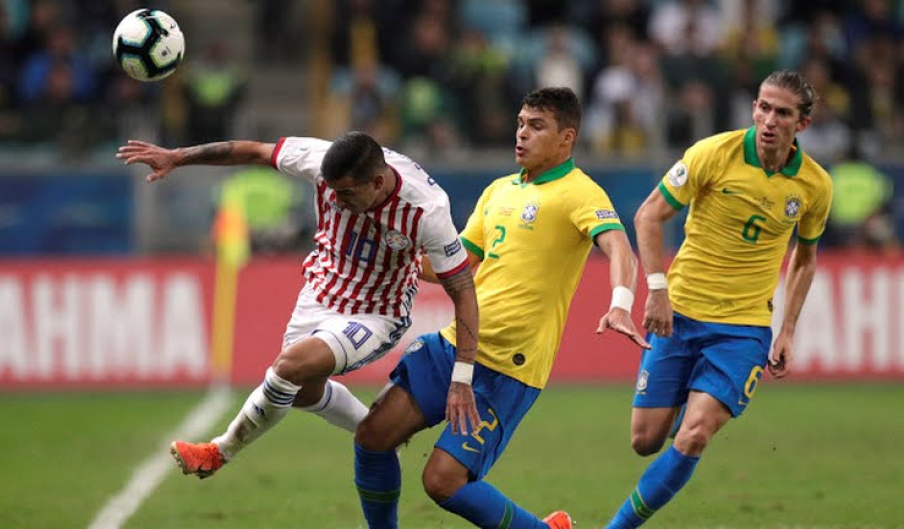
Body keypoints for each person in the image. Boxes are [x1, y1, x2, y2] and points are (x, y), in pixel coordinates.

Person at [352, 87, 650, 529]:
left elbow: (620, 246)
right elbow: (460, 262)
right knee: (373, 436)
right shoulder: (497, 191)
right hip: (456, 345)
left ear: (567, 138)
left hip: (507, 368)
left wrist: (621, 303)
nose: (522, 134)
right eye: (520, 123)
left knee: (443, 481)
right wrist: (401, 260)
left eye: (536, 126)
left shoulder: (580, 193)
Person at [116, 131, 480, 479]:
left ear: (377, 184)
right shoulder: (319, 160)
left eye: (347, 193)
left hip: (376, 313)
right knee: (304, 392)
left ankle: (218, 452)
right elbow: (256, 151)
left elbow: (463, 291)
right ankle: (383, 433)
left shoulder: (426, 209)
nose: (336, 201)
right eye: (332, 191)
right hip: (320, 293)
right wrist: (178, 157)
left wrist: (462, 378)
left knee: (287, 368)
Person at [604, 70, 833, 528]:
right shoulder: (713, 153)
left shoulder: (814, 186)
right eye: (763, 107)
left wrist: (786, 329)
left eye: (782, 112)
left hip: (743, 330)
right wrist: (657, 291)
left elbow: (804, 259)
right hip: (680, 316)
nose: (769, 119)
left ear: (801, 125)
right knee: (645, 440)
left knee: (694, 435)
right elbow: (649, 215)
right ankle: (692, 397)